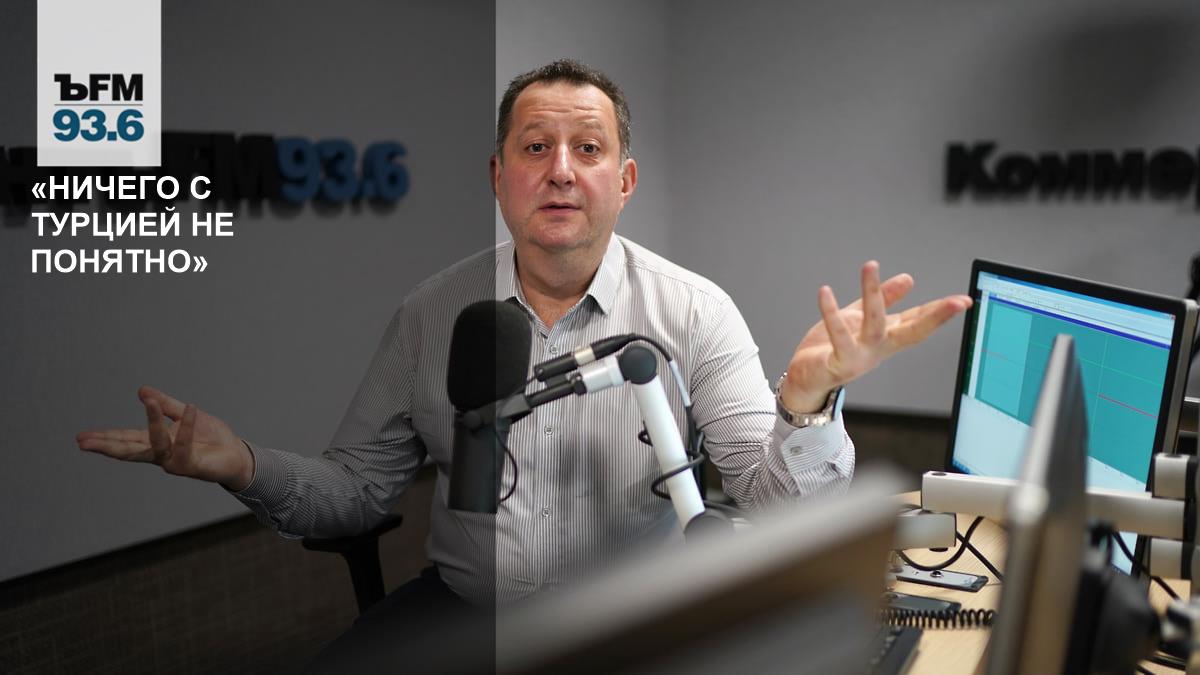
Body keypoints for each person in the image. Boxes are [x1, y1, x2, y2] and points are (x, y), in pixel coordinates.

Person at [76, 60, 970, 610]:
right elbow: (355, 492)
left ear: (625, 180)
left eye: (588, 149)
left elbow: (778, 508)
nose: (561, 172)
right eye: (536, 148)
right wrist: (243, 465)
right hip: (468, 614)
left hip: (637, 624)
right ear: (498, 175)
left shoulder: (693, 312)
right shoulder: (432, 312)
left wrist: (807, 404)